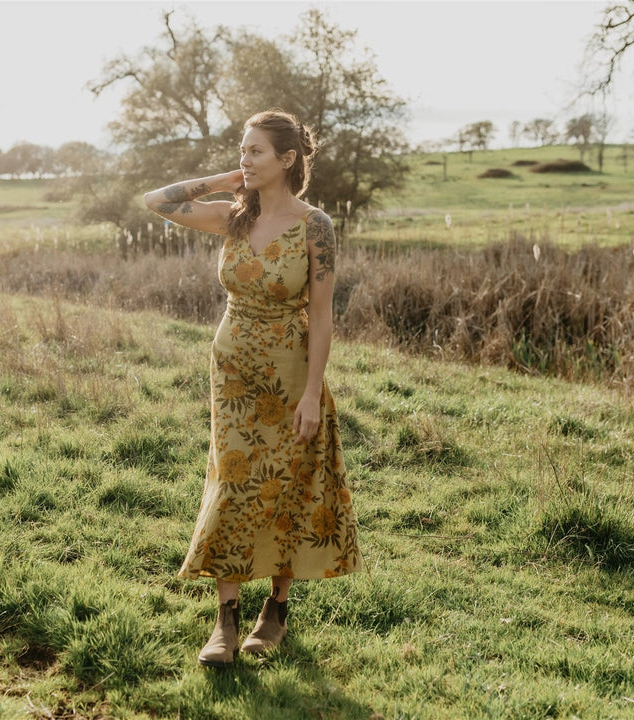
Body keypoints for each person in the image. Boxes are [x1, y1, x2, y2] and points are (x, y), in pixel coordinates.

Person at [144, 109, 362, 668]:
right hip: (233, 370)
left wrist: (312, 393)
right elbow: (156, 201)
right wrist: (224, 180)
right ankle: (226, 620)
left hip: (290, 368)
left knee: (288, 482)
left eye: (255, 151)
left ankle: (277, 609)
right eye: (242, 149)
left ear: (288, 160)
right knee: (236, 481)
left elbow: (320, 316)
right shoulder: (232, 217)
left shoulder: (316, 226)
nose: (245, 158)